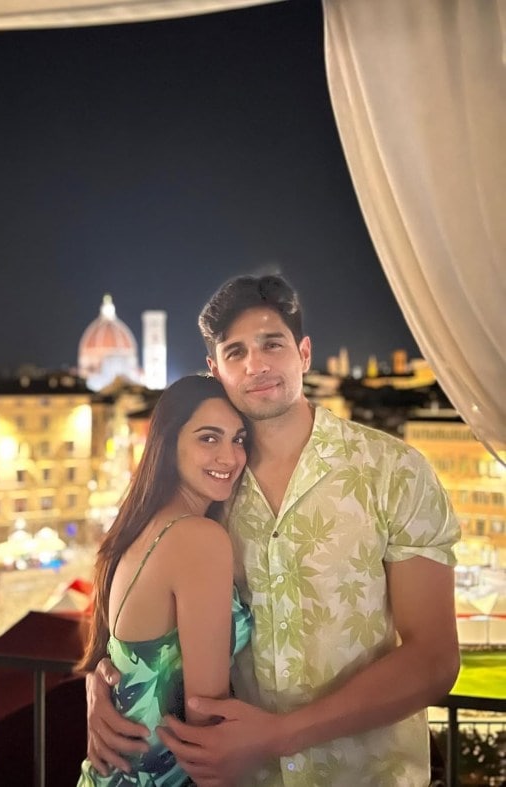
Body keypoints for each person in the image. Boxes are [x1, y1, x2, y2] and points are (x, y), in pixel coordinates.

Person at [86, 274, 461, 787]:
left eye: (272, 344)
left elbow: (435, 659)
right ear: (215, 370)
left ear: (304, 353)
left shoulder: (394, 471)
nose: (256, 365)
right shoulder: (211, 485)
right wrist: (108, 679)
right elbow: (147, 593)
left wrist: (282, 735)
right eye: (235, 352)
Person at [76, 374, 253, 787]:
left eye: (239, 439)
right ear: (169, 443)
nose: (229, 457)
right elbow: (207, 721)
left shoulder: (143, 528)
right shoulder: (198, 539)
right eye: (208, 438)